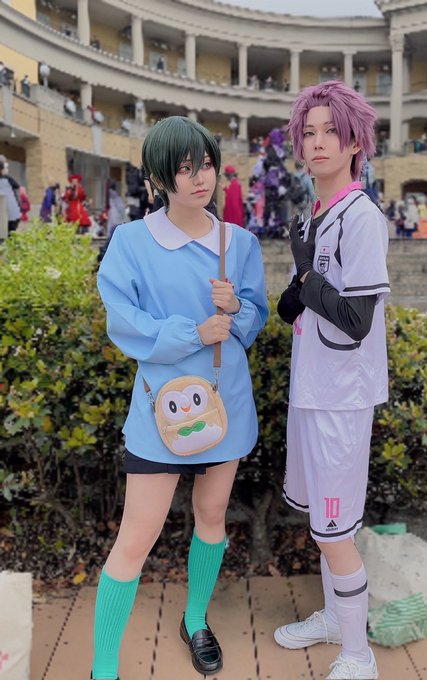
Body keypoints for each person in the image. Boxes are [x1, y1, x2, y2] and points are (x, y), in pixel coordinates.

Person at [93, 115, 268, 680]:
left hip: (224, 401)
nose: (200, 178)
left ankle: (196, 620)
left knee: (212, 515)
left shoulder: (238, 243)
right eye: (185, 168)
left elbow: (255, 318)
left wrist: (236, 309)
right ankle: (103, 666)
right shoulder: (132, 241)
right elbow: (123, 321)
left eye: (207, 165)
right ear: (159, 178)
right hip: (158, 407)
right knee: (136, 535)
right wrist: (193, 332)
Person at [273, 80, 390, 680]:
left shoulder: (361, 217)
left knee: (336, 528)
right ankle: (332, 620)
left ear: (354, 142)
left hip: (342, 398)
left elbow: (356, 319)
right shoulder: (313, 215)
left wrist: (305, 277)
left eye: (331, 132)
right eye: (309, 132)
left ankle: (358, 655)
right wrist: (295, 289)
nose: (318, 143)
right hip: (310, 390)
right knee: (323, 523)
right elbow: (296, 308)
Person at [0, 159, 21, 234]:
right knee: (10, 233)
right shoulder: (7, 179)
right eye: (5, 168)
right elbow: (17, 186)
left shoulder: (7, 179)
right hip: (11, 214)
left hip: (9, 214)